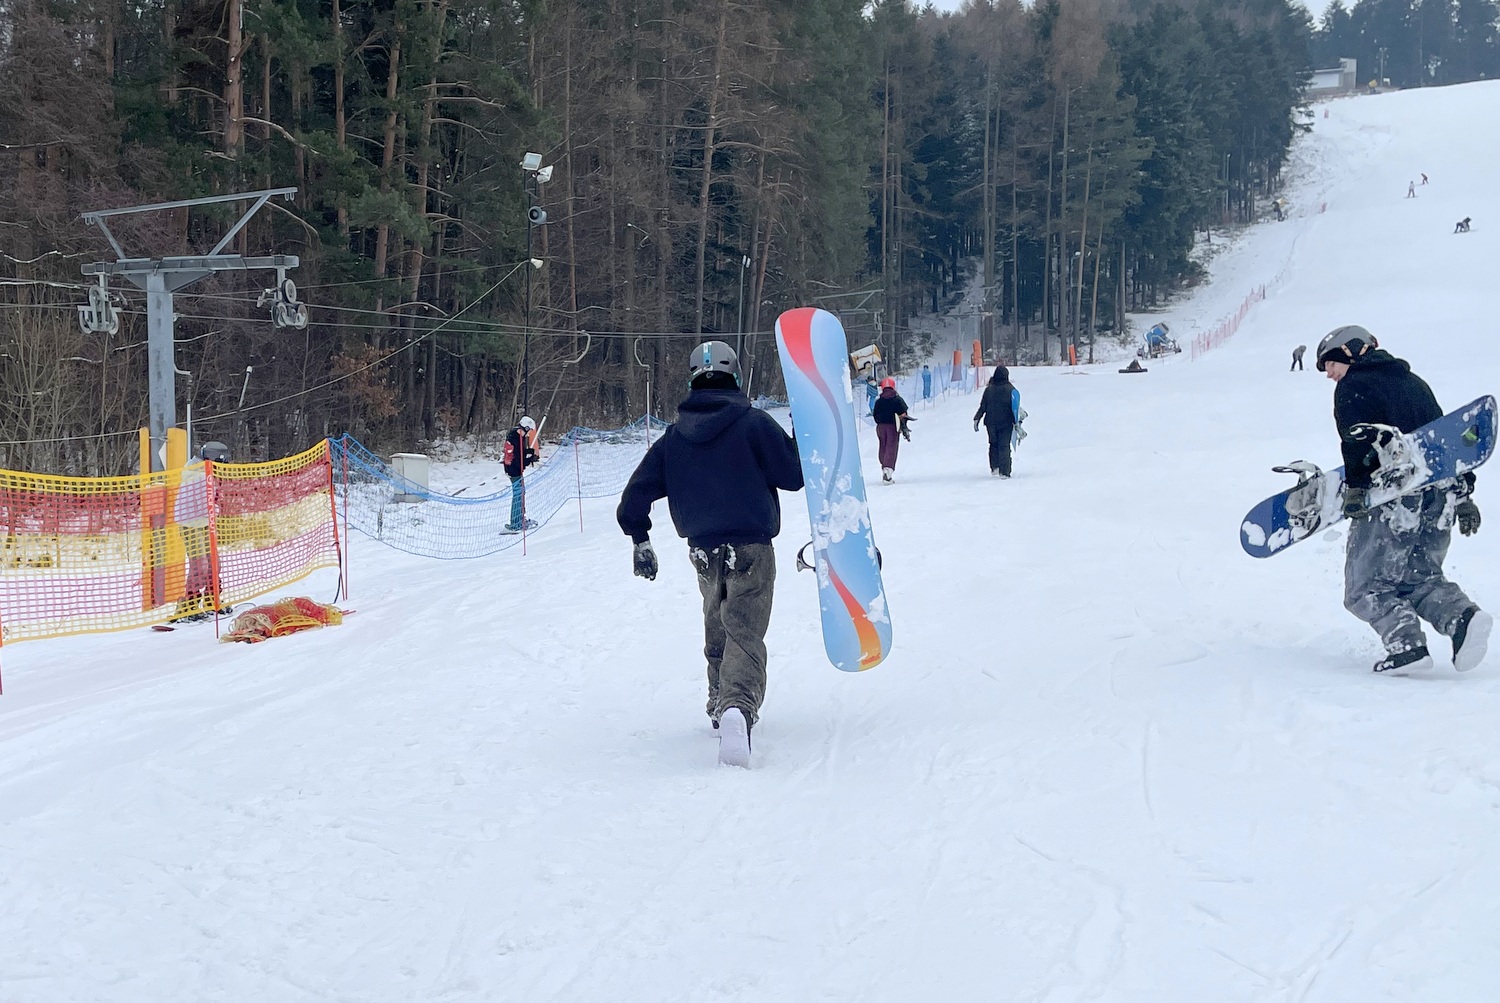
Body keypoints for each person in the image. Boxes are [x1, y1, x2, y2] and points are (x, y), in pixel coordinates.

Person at [616, 341, 803, 767]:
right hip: (751, 544)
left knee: (718, 620)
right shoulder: (754, 424)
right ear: (735, 376)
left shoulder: (674, 437)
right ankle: (737, 707)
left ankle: (719, 697)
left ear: (692, 381)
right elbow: (792, 476)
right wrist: (800, 438)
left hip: (702, 550)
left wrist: (639, 538)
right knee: (744, 629)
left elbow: (636, 494)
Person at [1315, 324, 1489, 675]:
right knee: (1417, 577)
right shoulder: (1414, 383)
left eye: (1331, 363)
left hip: (1393, 497)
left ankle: (1406, 645)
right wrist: (1464, 493)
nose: (1329, 374)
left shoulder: (1354, 386)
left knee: (1365, 588)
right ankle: (1461, 617)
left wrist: (1356, 489)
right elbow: (1442, 442)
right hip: (1437, 496)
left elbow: (1356, 443)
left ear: (1352, 351)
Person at [973, 366, 1018, 477]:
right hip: (1006, 423)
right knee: (1004, 446)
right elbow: (1015, 406)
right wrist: (1016, 421)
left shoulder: (989, 389)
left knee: (993, 445)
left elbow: (983, 406)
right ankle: (1005, 471)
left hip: (991, 423)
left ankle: (995, 467)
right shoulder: (1010, 389)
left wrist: (977, 418)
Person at [503, 415, 539, 532]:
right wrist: (529, 460)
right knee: (518, 495)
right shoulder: (515, 439)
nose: (529, 434)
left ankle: (520, 519)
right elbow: (519, 461)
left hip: (514, 469)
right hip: (514, 471)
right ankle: (515, 523)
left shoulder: (518, 436)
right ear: (526, 428)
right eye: (529, 431)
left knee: (521, 493)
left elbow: (521, 454)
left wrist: (529, 452)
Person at [871, 377, 909, 483]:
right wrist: (904, 427)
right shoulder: (897, 399)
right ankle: (888, 470)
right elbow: (904, 414)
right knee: (891, 447)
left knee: (883, 445)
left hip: (881, 427)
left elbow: (875, 414)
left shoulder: (879, 401)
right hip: (893, 426)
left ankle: (883, 465)